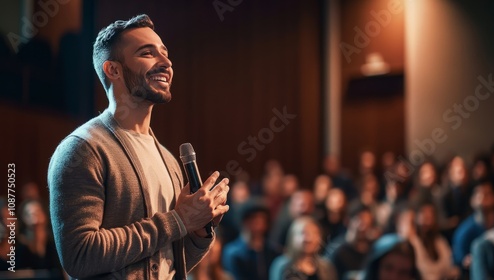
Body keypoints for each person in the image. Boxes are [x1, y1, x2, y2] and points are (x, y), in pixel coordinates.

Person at [47, 14, 230, 279]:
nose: (166, 63)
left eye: (165, 54)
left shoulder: (168, 160)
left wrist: (198, 230)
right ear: (114, 70)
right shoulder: (82, 150)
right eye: (147, 53)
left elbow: (169, 261)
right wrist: (179, 220)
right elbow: (80, 256)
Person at [222, 199, 280, 280]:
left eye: (262, 219)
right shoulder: (233, 252)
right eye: (254, 219)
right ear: (245, 221)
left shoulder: (273, 251)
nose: (258, 224)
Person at [452, 180, 494, 274]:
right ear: (472, 200)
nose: (483, 198)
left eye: (487, 194)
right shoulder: (464, 232)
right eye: (479, 195)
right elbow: (458, 262)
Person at [269, 216, 336, 280]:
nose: (308, 239)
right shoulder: (281, 265)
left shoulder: (326, 267)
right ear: (292, 236)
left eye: (313, 233)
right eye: (303, 233)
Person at [409, 203, 458, 280]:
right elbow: (423, 270)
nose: (428, 222)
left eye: (431, 217)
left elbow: (449, 266)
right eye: (425, 218)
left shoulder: (439, 241)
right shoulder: (413, 243)